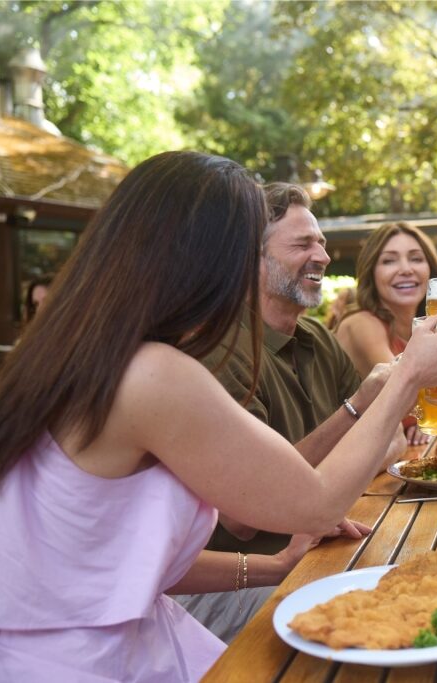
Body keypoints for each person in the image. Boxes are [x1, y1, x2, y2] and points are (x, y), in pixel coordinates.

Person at [0, 151, 437, 681]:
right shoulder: (152, 374)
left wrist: (273, 567)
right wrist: (408, 377)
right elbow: (315, 503)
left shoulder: (71, 353)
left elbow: (115, 560)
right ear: (209, 257)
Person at [173, 183, 407, 642]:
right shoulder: (214, 351)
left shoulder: (317, 337)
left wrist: (318, 488)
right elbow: (246, 514)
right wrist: (357, 409)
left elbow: (392, 443)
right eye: (302, 244)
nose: (321, 256)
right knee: (378, 622)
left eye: (320, 242)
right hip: (237, 581)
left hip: (322, 551)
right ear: (248, 259)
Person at [336, 222, 437, 445]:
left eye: (416, 258)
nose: (406, 269)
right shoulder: (362, 323)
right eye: (389, 261)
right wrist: (429, 414)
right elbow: (400, 389)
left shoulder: (425, 329)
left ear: (430, 271)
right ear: (371, 272)